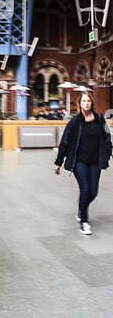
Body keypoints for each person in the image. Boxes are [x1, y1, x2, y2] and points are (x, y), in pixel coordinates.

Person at [55, 100, 111, 237]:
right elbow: (65, 141)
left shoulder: (99, 119)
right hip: (79, 161)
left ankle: (81, 208)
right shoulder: (75, 122)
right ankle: (84, 222)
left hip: (95, 161)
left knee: (93, 192)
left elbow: (107, 137)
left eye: (88, 101)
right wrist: (58, 162)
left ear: (92, 103)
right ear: (80, 104)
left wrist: (107, 154)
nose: (86, 103)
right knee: (85, 189)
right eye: (83, 101)